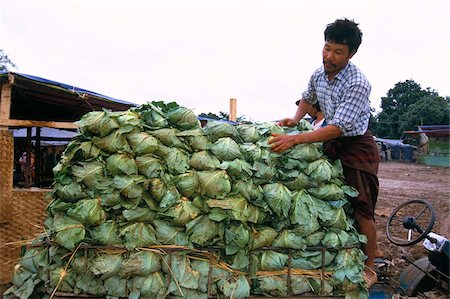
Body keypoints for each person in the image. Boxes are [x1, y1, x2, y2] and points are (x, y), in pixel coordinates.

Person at [269, 18, 380, 288]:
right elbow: (309, 97)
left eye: (338, 52)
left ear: (351, 54)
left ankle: (370, 266)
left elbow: (337, 128)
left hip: (355, 147)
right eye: (327, 48)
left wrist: (295, 140)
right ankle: (342, 251)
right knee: (331, 199)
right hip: (329, 140)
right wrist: (295, 120)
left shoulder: (357, 83)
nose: (329, 56)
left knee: (361, 208)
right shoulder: (319, 73)